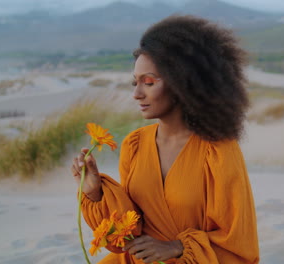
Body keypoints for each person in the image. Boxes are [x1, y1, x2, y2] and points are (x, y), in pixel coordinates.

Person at [71, 15, 260, 264]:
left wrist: (177, 246)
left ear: (183, 82)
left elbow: (238, 241)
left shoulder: (218, 150)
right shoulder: (134, 144)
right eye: (134, 82)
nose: (136, 94)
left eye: (148, 82)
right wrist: (94, 192)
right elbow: (129, 231)